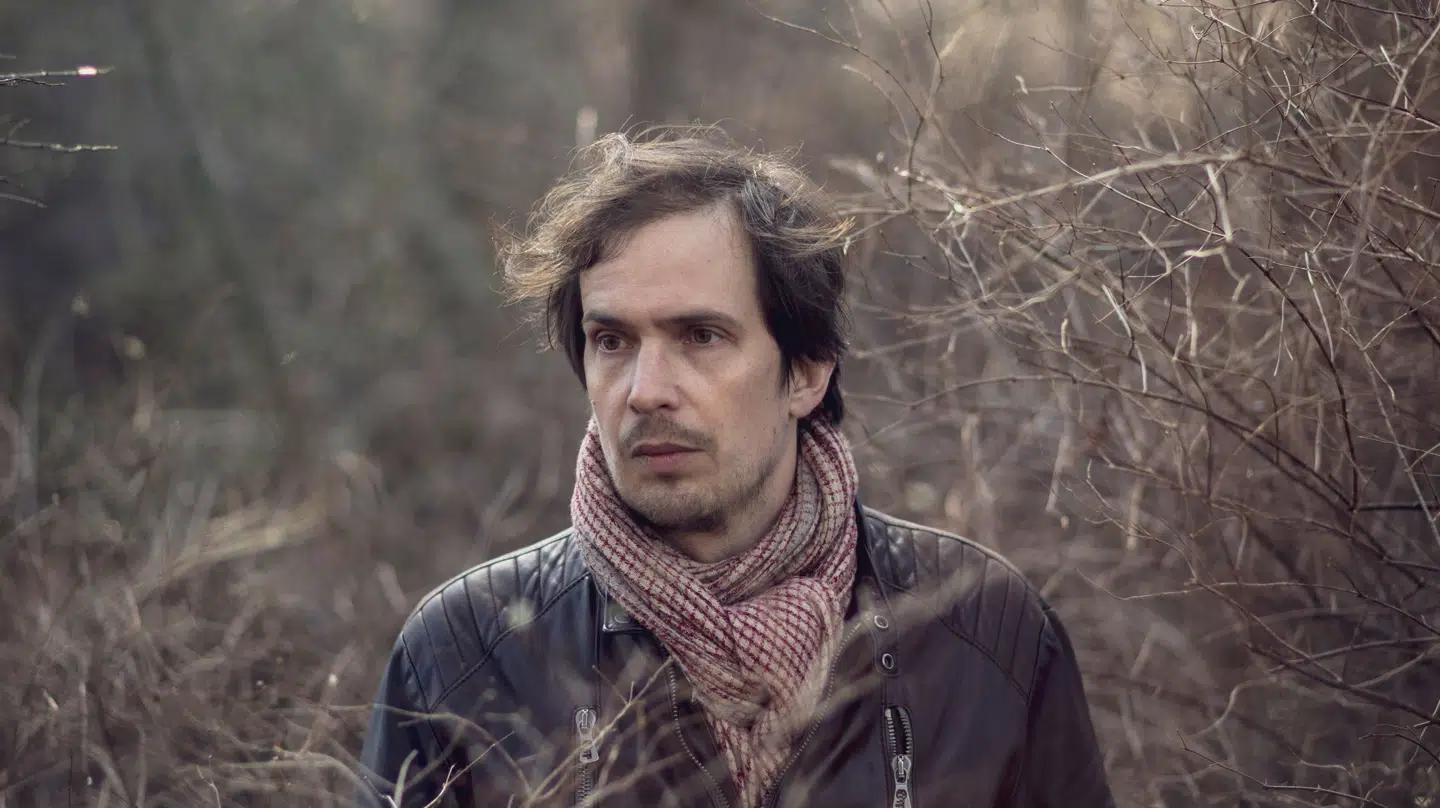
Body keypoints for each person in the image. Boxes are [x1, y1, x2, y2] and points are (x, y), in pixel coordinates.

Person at [356, 129, 1116, 808]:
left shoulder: (984, 634)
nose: (645, 390)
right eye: (612, 341)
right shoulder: (467, 654)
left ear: (806, 372)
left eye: (701, 336)